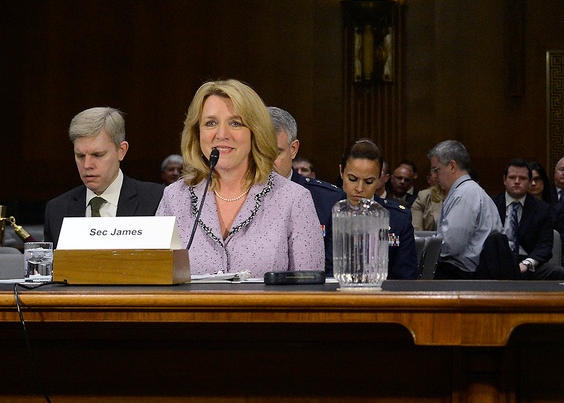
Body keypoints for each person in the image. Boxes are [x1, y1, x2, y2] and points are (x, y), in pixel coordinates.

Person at [155, 80, 324, 276]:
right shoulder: (175, 197)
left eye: (235, 123)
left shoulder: (294, 199)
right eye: (211, 123)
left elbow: (309, 291)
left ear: (256, 132)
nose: (222, 134)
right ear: (197, 132)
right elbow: (156, 281)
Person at [44, 107, 164, 247]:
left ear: (121, 151)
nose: (87, 165)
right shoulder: (57, 209)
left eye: (97, 155)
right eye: (80, 156)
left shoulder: (157, 200)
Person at [268, 106, 344, 275]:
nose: (266, 163)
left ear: (293, 149)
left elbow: (336, 271)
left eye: (275, 153)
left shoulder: (328, 199)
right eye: (260, 152)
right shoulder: (236, 197)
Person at [337, 139, 418, 279]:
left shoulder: (398, 218)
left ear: (380, 178)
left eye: (369, 181)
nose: (360, 189)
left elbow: (406, 279)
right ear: (341, 172)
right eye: (352, 179)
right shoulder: (325, 211)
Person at [429, 140, 501, 278]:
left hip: (462, 274)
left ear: (452, 166)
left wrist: (424, 249)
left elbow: (451, 245)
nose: (434, 176)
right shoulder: (468, 191)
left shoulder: (465, 194)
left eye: (436, 169)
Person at [492, 158, 564, 280]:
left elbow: (545, 245)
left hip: (527, 262)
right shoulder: (491, 204)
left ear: (529, 182)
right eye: (512, 177)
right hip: (497, 263)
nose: (517, 181)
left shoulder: (542, 209)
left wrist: (527, 264)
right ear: (504, 180)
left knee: (558, 272)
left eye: (522, 178)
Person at [411, 165, 446, 231]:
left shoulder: (464, 195)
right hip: (431, 241)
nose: (438, 175)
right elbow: (416, 231)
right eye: (435, 171)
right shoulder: (424, 196)